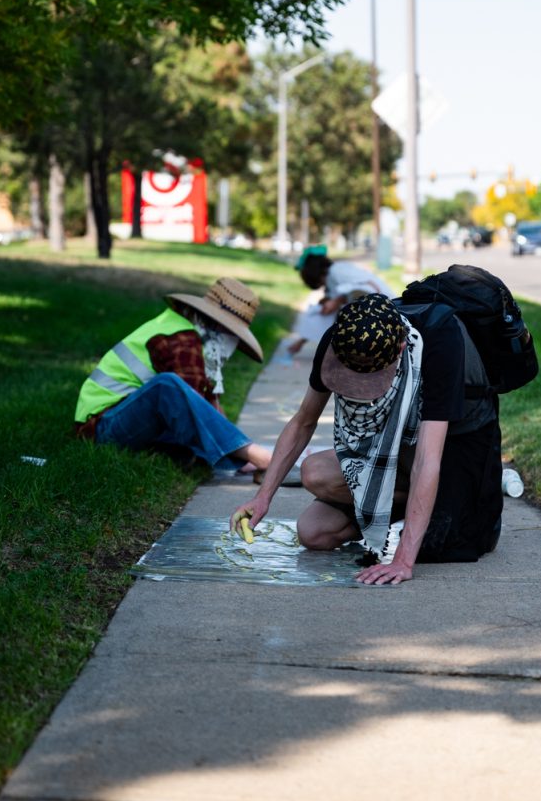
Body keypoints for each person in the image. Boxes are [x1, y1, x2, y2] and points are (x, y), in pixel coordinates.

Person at [231, 292, 503, 585]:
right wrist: (262, 498)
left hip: (451, 451)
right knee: (314, 528)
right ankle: (396, 509)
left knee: (442, 544)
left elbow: (427, 459)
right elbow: (302, 422)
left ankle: (435, 504)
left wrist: (403, 559)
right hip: (391, 459)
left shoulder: (440, 344)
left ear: (400, 349)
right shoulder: (339, 340)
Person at [74, 277, 272, 474]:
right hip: (102, 427)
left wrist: (239, 448)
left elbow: (207, 402)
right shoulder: (182, 339)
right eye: (232, 331)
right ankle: (258, 457)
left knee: (185, 426)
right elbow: (191, 408)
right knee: (167, 385)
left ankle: (233, 454)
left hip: (120, 419)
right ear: (217, 324)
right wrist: (248, 454)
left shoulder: (187, 329)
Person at [286, 245, 395, 355]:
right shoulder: (330, 283)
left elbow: (368, 289)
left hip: (387, 310)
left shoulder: (337, 270)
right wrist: (301, 341)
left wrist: (337, 301)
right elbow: (327, 317)